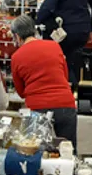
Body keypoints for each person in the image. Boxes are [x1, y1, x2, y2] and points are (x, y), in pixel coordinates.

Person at [10, 15, 77, 145]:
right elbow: (65, 74)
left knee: (36, 150)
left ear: (17, 36)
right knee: (67, 150)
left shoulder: (16, 57)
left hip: (37, 107)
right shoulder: (54, 46)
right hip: (64, 103)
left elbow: (21, 92)